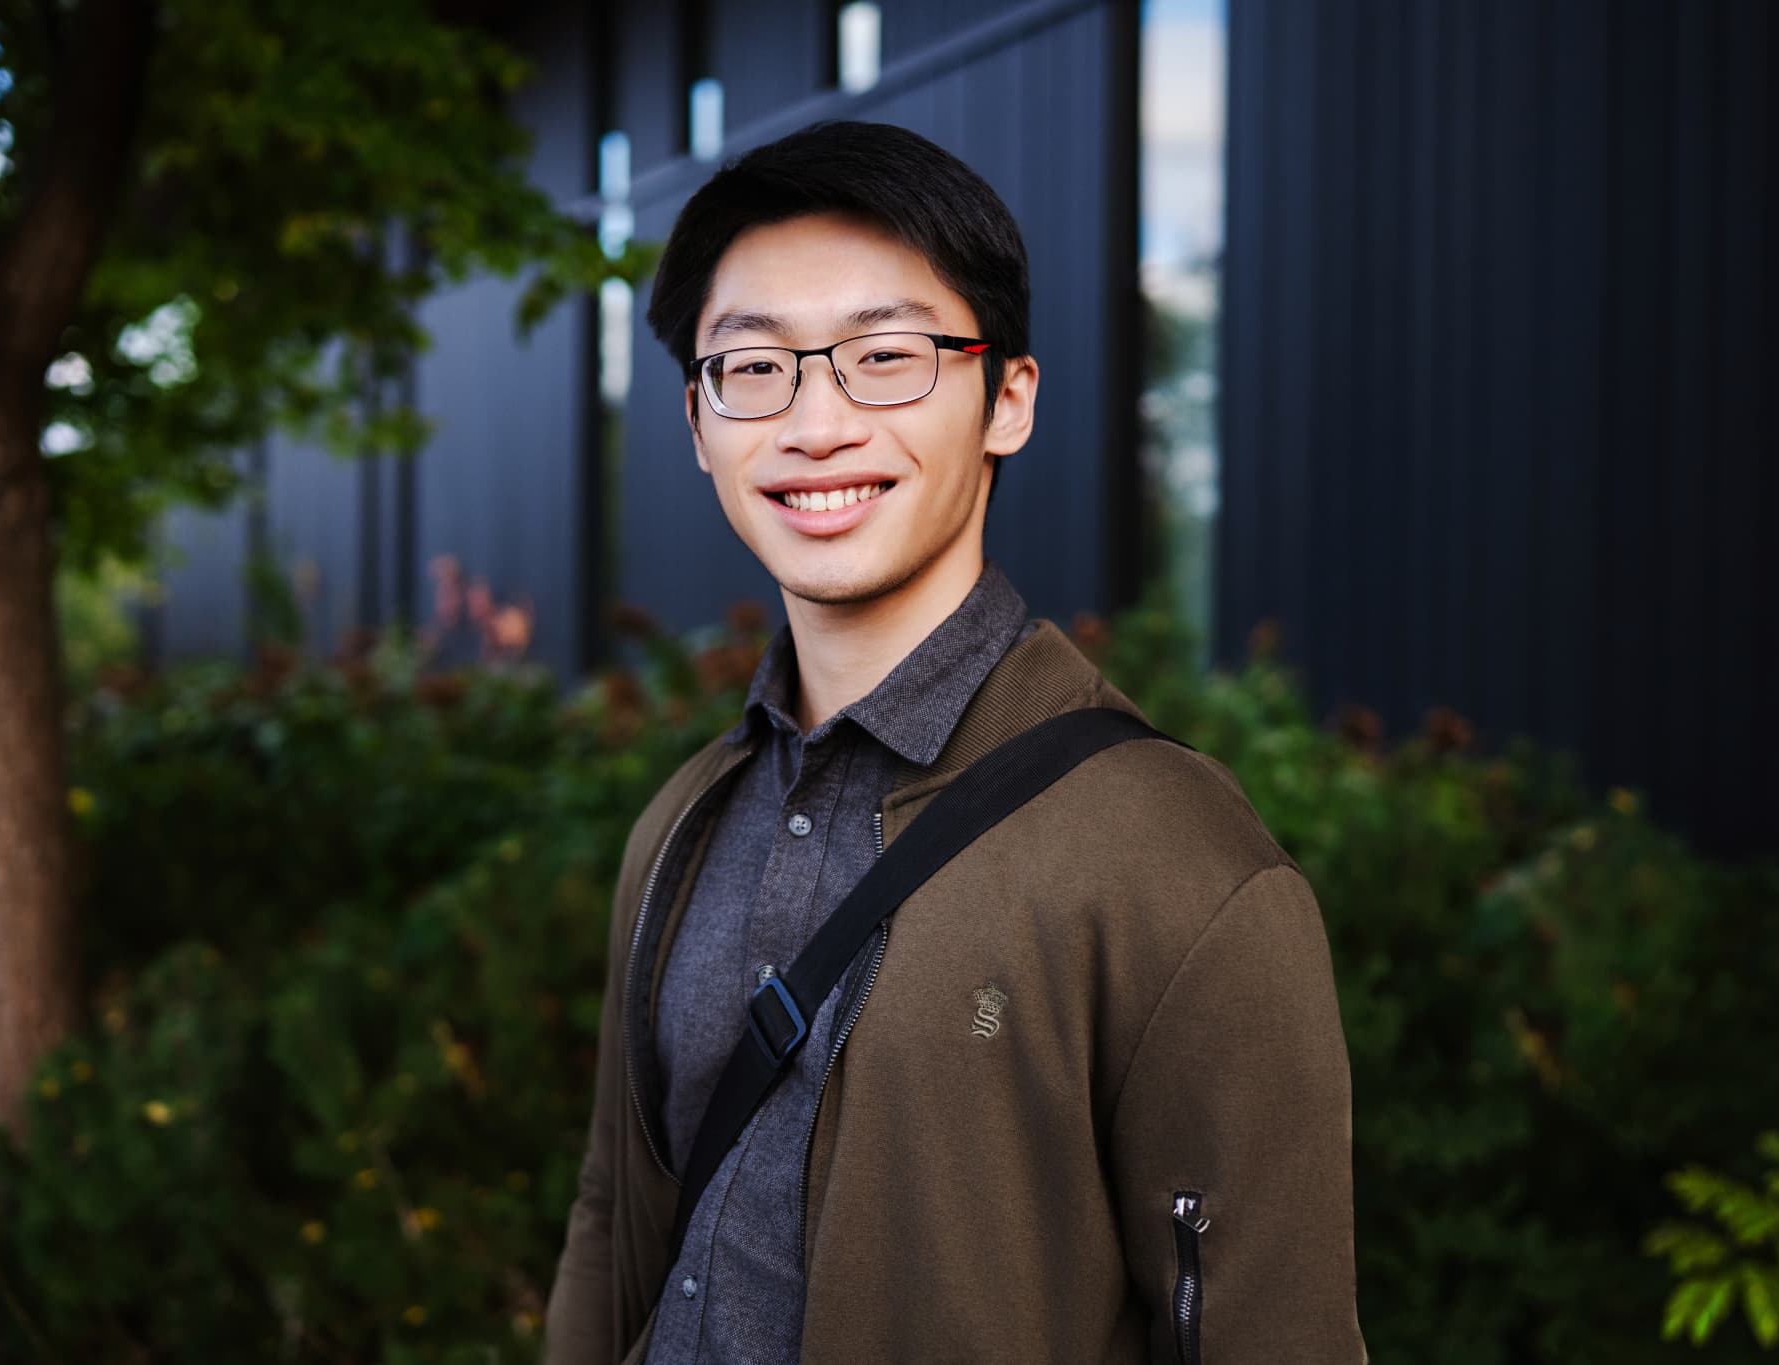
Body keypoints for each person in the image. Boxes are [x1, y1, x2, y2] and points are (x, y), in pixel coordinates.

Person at [543, 119, 1364, 1365]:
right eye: (753, 369)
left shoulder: (1171, 861)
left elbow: (1271, 1334)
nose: (815, 425)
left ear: (1008, 400)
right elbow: (612, 1225)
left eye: (885, 357)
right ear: (699, 424)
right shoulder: (684, 821)